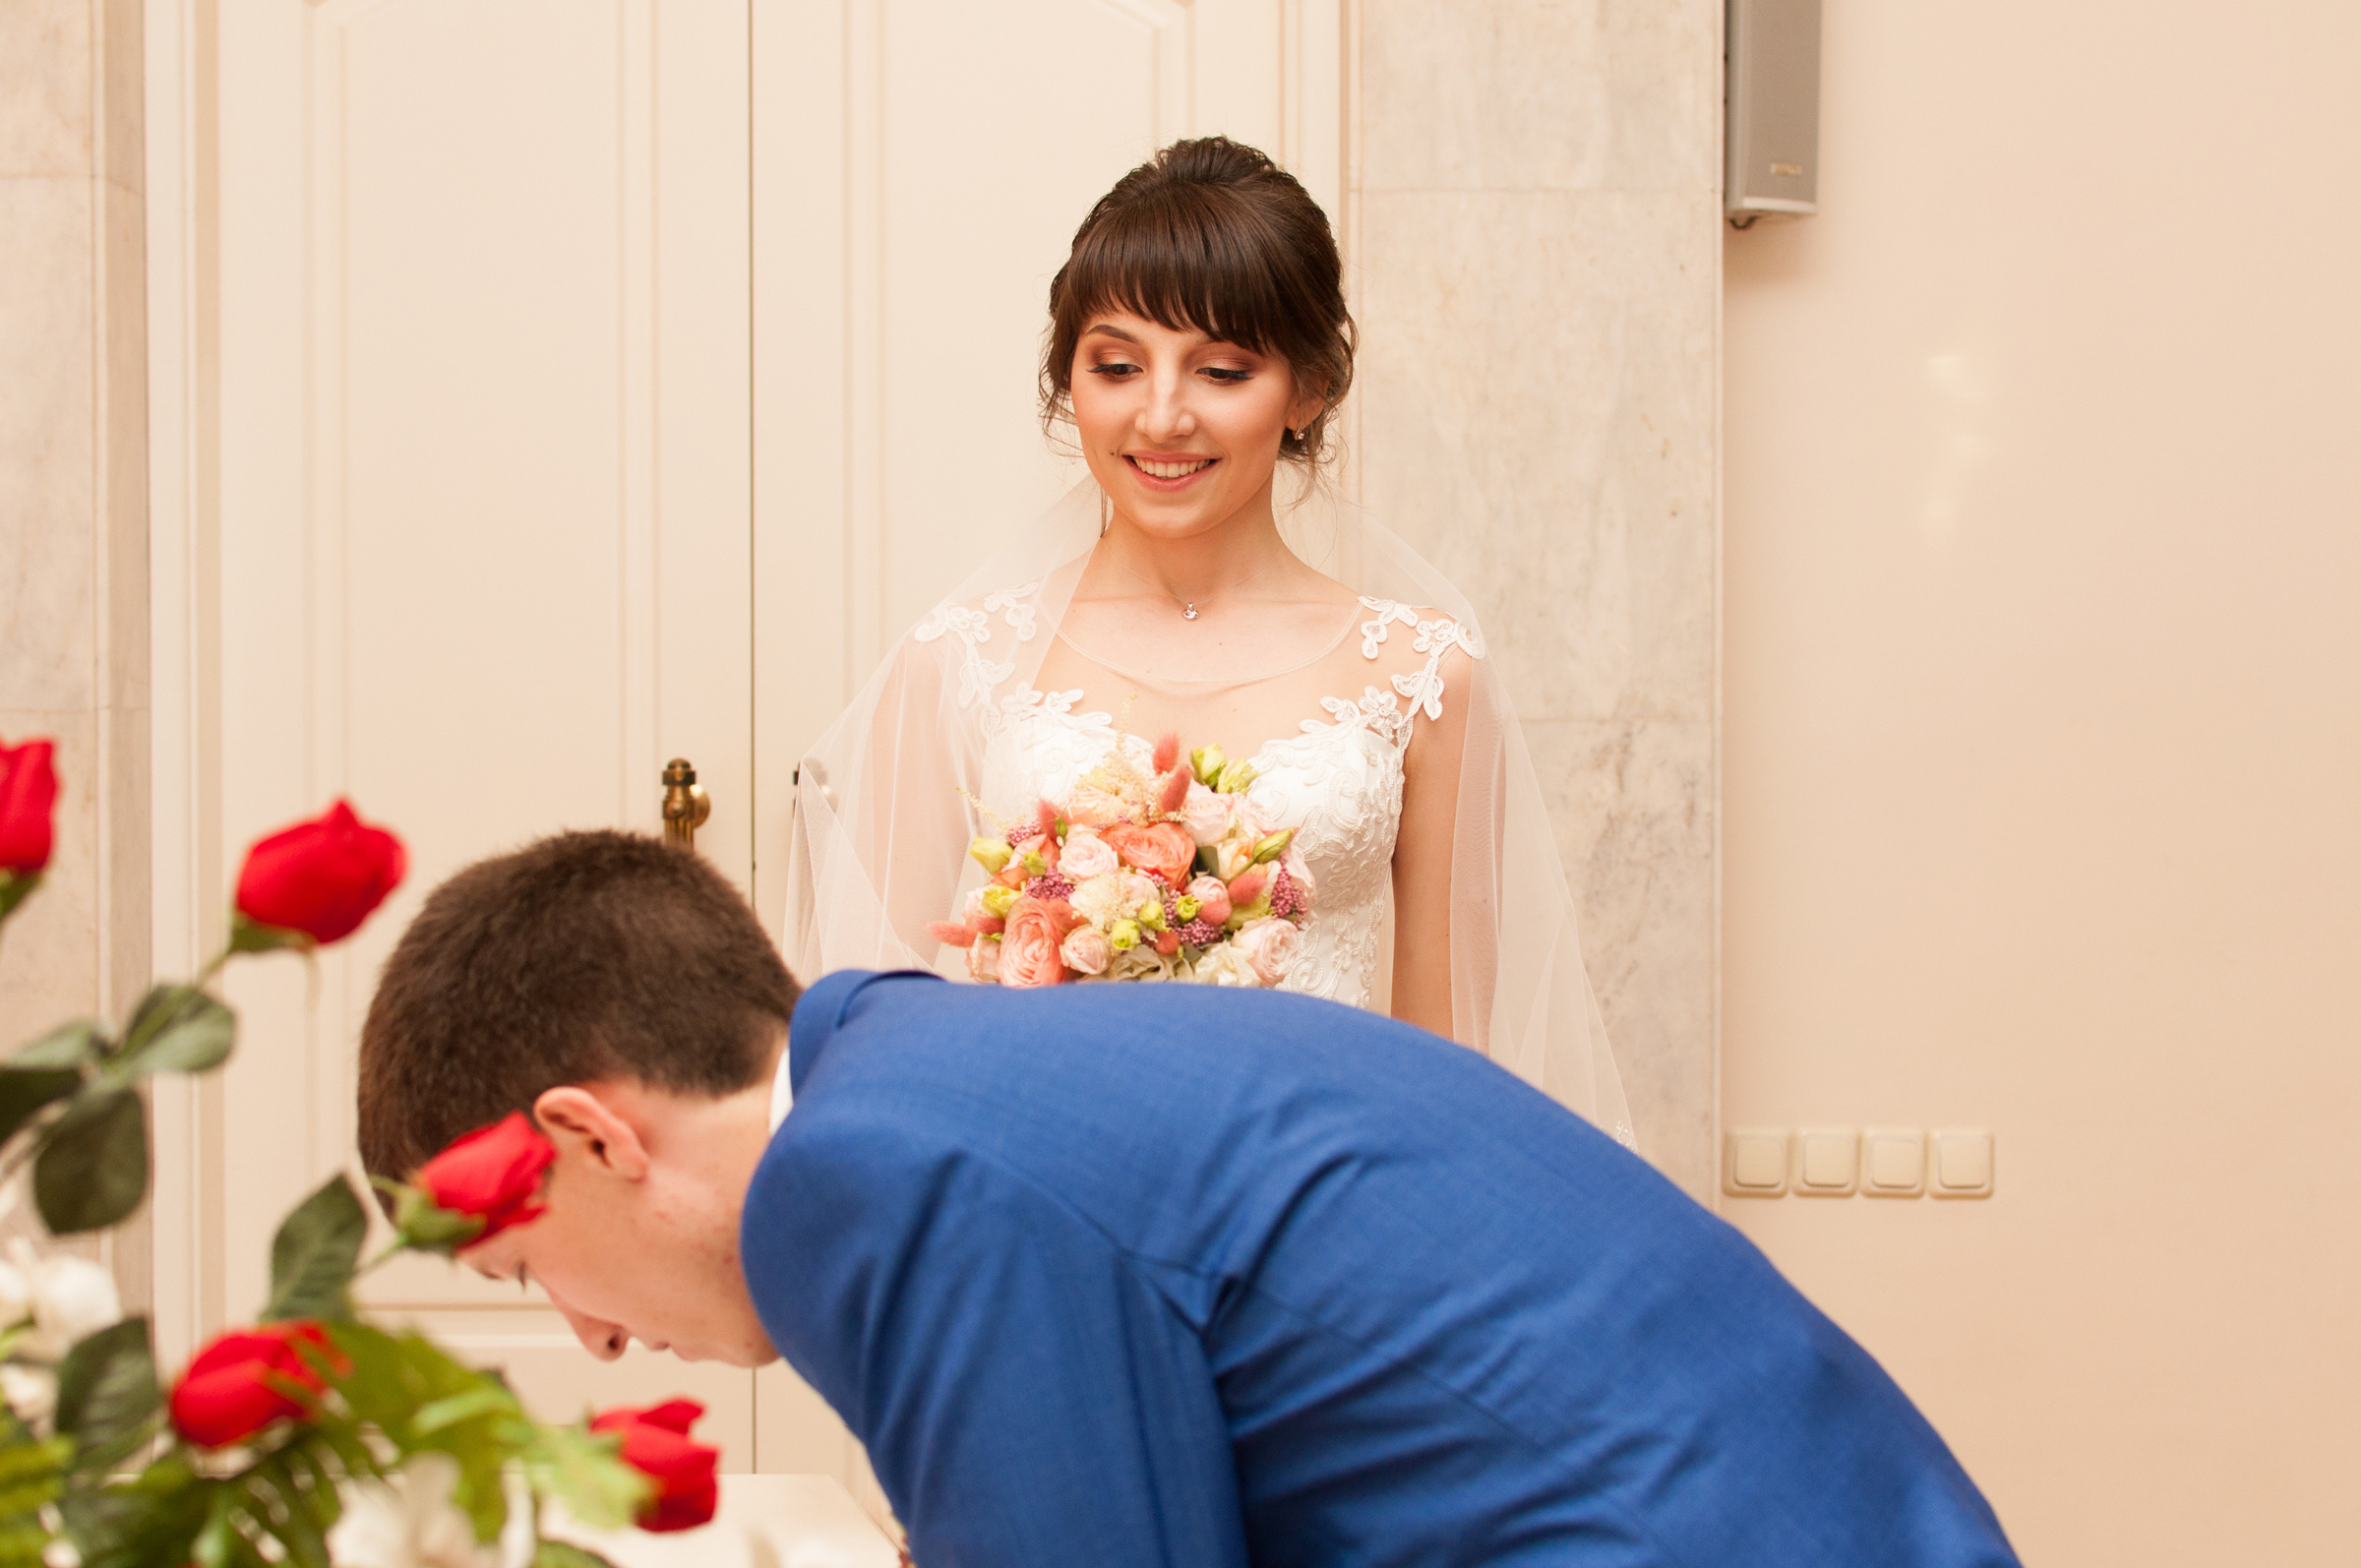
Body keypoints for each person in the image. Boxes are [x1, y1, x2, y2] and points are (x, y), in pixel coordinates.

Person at [361, 831, 2021, 1567]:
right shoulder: (922, 1066)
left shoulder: (865, 1173)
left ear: (586, 1132)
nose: (588, 1331)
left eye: (523, 1266)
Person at [785, 137, 1629, 1140]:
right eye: (1116, 365)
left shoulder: (1422, 675)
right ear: (1071, 380)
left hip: (1317, 1218)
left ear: (1308, 389)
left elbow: (1452, 1050)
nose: (1163, 415)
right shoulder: (962, 662)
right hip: (1045, 1199)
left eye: (1221, 369)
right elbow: (876, 1024)